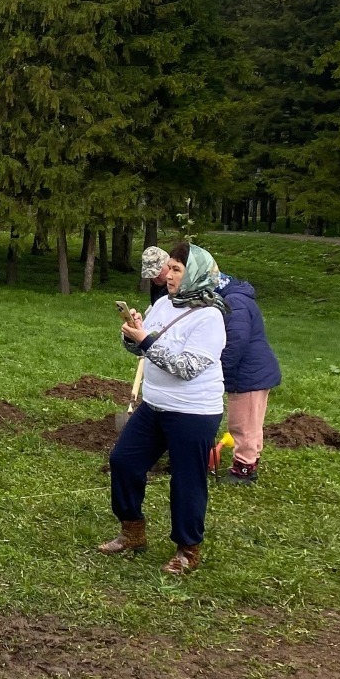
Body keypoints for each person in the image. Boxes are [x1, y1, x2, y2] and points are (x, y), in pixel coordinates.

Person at [100, 241, 228, 575]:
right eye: (169, 268)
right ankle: (132, 532)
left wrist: (146, 340)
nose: (168, 275)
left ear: (195, 274)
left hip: (194, 412)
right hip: (155, 405)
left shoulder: (210, 317)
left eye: (176, 269)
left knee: (186, 480)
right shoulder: (163, 305)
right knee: (124, 461)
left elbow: (186, 368)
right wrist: (133, 334)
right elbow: (143, 352)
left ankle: (188, 549)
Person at [217, 269, 282, 485]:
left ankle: (243, 469)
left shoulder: (234, 302)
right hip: (250, 372)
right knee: (252, 422)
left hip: (250, 374)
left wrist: (220, 371)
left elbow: (235, 342)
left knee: (242, 423)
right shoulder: (235, 297)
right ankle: (251, 459)